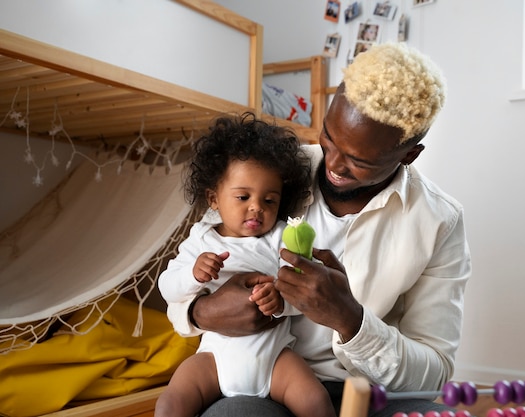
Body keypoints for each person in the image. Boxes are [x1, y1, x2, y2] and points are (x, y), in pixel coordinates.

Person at [166, 42, 472, 417]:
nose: (334, 164)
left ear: (409, 154)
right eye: (329, 136)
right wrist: (202, 312)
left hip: (364, 391)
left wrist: (351, 320)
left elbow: (435, 373)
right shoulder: (271, 171)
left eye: (359, 160)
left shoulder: (439, 221)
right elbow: (198, 259)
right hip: (262, 379)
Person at [155, 112, 336, 417]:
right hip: (215, 359)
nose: (256, 207)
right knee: (171, 402)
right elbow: (167, 288)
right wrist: (192, 275)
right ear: (214, 198)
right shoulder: (201, 241)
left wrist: (280, 302)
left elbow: (306, 296)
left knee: (316, 402)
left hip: (276, 359)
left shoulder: (281, 238)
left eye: (269, 200)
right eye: (242, 197)